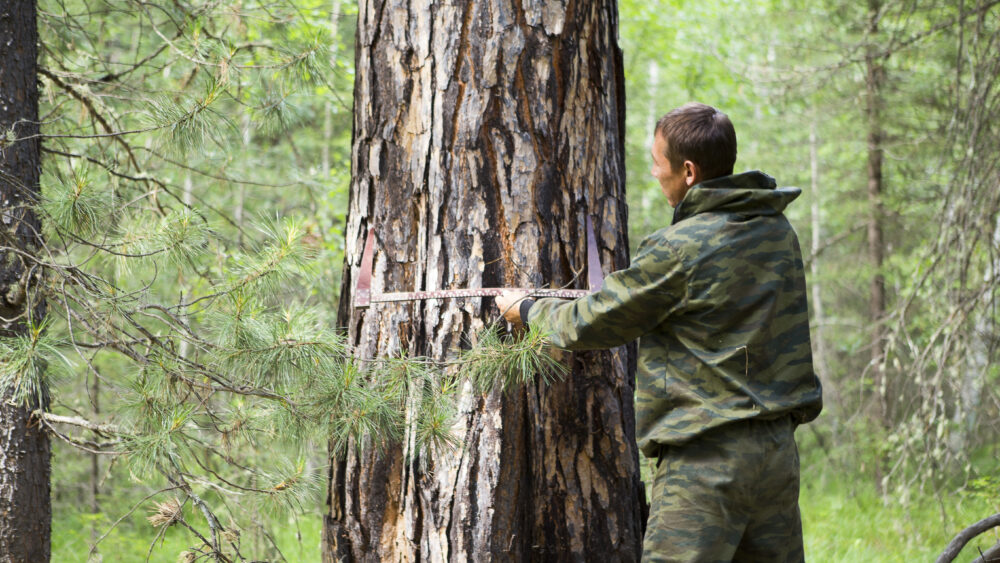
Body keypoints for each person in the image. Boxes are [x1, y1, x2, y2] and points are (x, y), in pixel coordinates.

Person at [496, 102, 823, 562]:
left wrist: (528, 308)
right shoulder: (775, 229)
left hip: (706, 462)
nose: (653, 172)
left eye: (657, 162)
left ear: (688, 171)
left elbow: (595, 319)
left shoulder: (678, 248)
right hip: (777, 456)